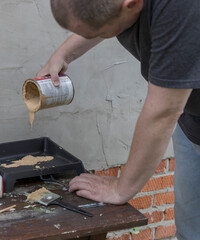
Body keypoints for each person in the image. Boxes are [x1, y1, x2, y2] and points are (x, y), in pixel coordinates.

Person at [36, 0, 200, 239]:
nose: (100, 35)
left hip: (181, 112)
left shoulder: (181, 9)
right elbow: (105, 14)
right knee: (191, 230)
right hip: (191, 121)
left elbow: (161, 113)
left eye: (102, 32)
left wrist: (119, 188)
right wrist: (63, 54)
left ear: (131, 4)